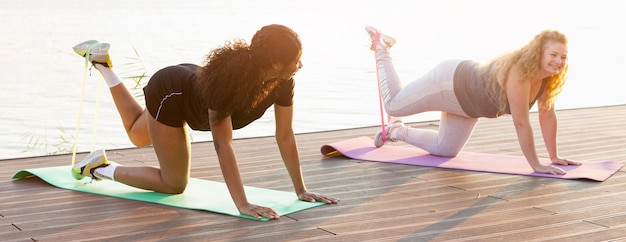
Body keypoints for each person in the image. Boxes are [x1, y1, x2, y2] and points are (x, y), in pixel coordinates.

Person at [71, 24, 338, 220]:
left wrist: (300, 189)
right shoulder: (227, 84)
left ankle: (103, 64)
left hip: (191, 87)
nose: (300, 65)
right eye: (296, 60)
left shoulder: (283, 83)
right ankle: (98, 168)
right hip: (171, 91)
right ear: (277, 63)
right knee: (173, 183)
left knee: (139, 135)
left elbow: (285, 135)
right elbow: (223, 145)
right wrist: (242, 204)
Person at [364, 26, 581, 175]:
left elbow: (547, 115)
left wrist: (553, 156)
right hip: (449, 83)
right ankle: (382, 47)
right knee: (393, 104)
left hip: (467, 107)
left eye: (563, 56)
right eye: (553, 55)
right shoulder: (520, 72)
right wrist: (536, 165)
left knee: (446, 149)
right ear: (538, 53)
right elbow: (521, 122)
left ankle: (394, 131)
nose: (559, 61)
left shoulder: (546, 80)